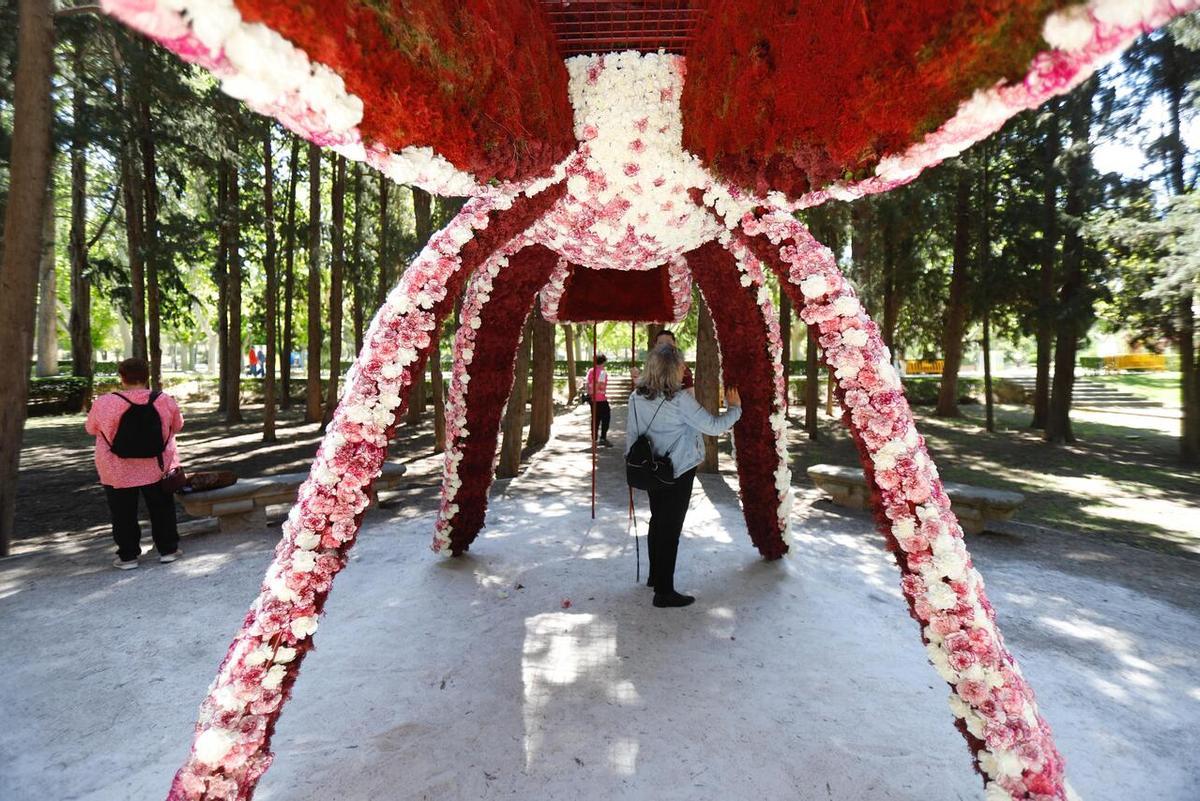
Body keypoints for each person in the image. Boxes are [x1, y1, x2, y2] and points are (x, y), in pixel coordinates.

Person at [627, 344, 741, 608]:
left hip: (650, 468)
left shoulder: (635, 397)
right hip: (677, 471)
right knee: (670, 530)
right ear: (672, 369)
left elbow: (632, 436)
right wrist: (734, 409)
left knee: (657, 522)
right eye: (681, 365)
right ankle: (664, 592)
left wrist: (633, 464)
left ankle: (655, 577)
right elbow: (713, 427)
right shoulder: (679, 401)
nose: (684, 369)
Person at [85, 357, 185, 569]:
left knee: (122, 511)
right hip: (155, 465)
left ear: (122, 377)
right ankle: (168, 550)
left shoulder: (104, 402)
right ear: (146, 376)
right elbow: (177, 426)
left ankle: (128, 556)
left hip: (117, 467)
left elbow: (91, 428)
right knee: (162, 507)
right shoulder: (164, 400)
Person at [585, 354, 612, 446]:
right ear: (603, 362)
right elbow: (600, 386)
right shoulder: (602, 373)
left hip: (592, 399)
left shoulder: (591, 371)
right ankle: (603, 438)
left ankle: (594, 438)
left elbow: (587, 384)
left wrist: (590, 393)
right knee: (606, 418)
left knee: (595, 419)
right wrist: (595, 390)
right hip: (600, 399)